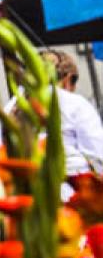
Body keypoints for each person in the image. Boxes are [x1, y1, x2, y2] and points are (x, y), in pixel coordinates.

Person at [39, 49, 103, 177]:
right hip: (73, 187)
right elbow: (98, 156)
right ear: (67, 79)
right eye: (74, 82)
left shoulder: (10, 108)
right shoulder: (75, 104)